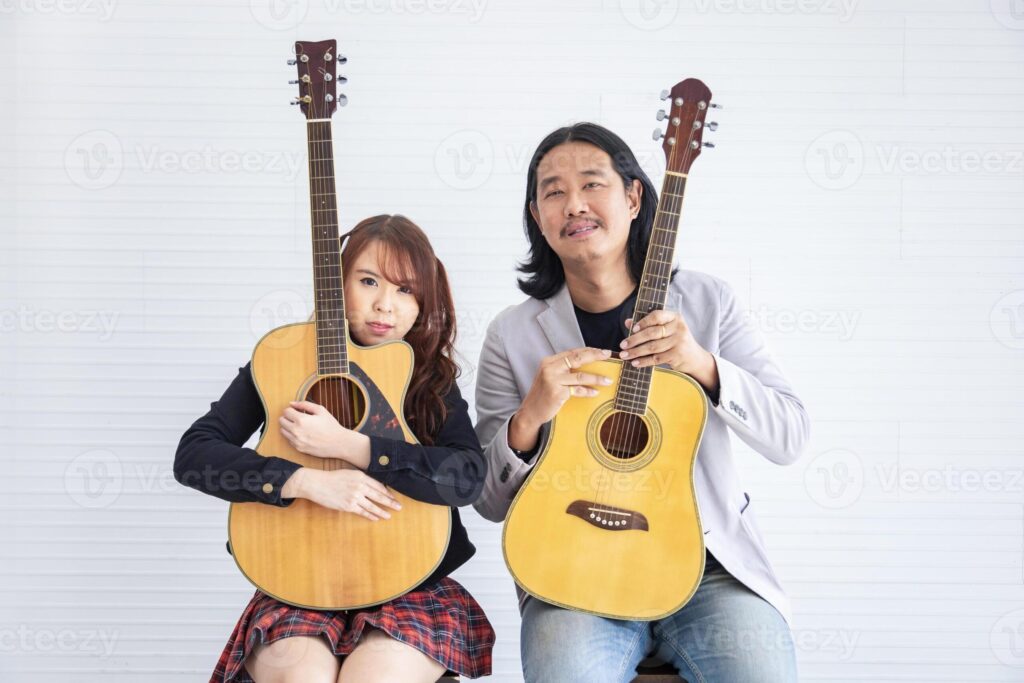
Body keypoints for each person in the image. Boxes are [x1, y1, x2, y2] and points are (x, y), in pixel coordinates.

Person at [472, 123, 810, 682]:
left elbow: (790, 435)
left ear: (633, 197)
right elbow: (487, 499)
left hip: (708, 567)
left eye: (591, 184)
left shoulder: (708, 302)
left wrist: (703, 365)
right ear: (538, 217)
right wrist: (529, 416)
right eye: (552, 192)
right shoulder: (512, 335)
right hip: (571, 572)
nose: (573, 203)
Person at [174, 214, 495, 683]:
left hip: (411, 584)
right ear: (334, 284)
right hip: (296, 585)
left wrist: (352, 446)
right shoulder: (280, 361)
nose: (386, 304)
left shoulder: (430, 377)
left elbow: (466, 476)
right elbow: (194, 456)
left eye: (407, 290)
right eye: (368, 281)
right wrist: (306, 481)